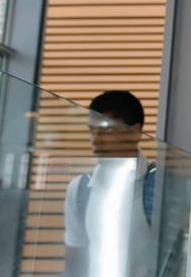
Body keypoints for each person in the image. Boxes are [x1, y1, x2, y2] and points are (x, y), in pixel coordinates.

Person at [63, 90, 158, 277]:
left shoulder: (160, 185)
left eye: (106, 130)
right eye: (92, 130)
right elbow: (75, 260)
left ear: (135, 132)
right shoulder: (80, 188)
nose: (95, 140)